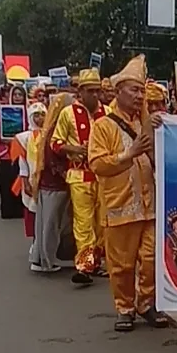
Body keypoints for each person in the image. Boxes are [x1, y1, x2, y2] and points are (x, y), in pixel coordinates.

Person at [88, 54, 168, 331]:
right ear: (119, 91)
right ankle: (125, 307)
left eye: (142, 90)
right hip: (120, 206)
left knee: (151, 260)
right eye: (134, 89)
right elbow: (97, 164)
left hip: (150, 206)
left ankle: (147, 304)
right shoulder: (103, 125)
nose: (139, 95)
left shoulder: (145, 123)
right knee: (121, 266)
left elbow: (160, 161)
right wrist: (129, 153)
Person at [50, 67, 107, 288]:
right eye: (90, 91)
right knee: (83, 222)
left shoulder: (108, 112)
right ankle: (84, 266)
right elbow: (55, 143)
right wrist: (73, 148)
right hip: (79, 175)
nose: (95, 95)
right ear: (80, 92)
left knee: (102, 222)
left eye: (97, 90)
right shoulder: (67, 114)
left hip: (103, 176)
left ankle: (99, 261)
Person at [30, 93, 74, 273]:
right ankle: (46, 261)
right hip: (55, 184)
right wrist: (65, 175)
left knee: (45, 223)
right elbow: (52, 159)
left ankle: (40, 258)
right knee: (50, 225)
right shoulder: (56, 130)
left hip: (50, 184)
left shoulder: (52, 127)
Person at [0, 86, 26, 219]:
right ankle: (8, 211)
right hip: (6, 153)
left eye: (20, 95)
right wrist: (2, 139)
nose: (17, 97)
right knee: (6, 182)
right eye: (15, 94)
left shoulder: (29, 113)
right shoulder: (3, 113)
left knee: (21, 181)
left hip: (23, 153)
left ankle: (21, 210)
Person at [15, 99, 47, 242]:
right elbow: (23, 162)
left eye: (42, 114)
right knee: (33, 212)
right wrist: (25, 182)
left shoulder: (50, 135)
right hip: (31, 180)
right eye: (36, 115)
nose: (40, 118)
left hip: (47, 181)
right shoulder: (25, 138)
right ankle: (36, 242)